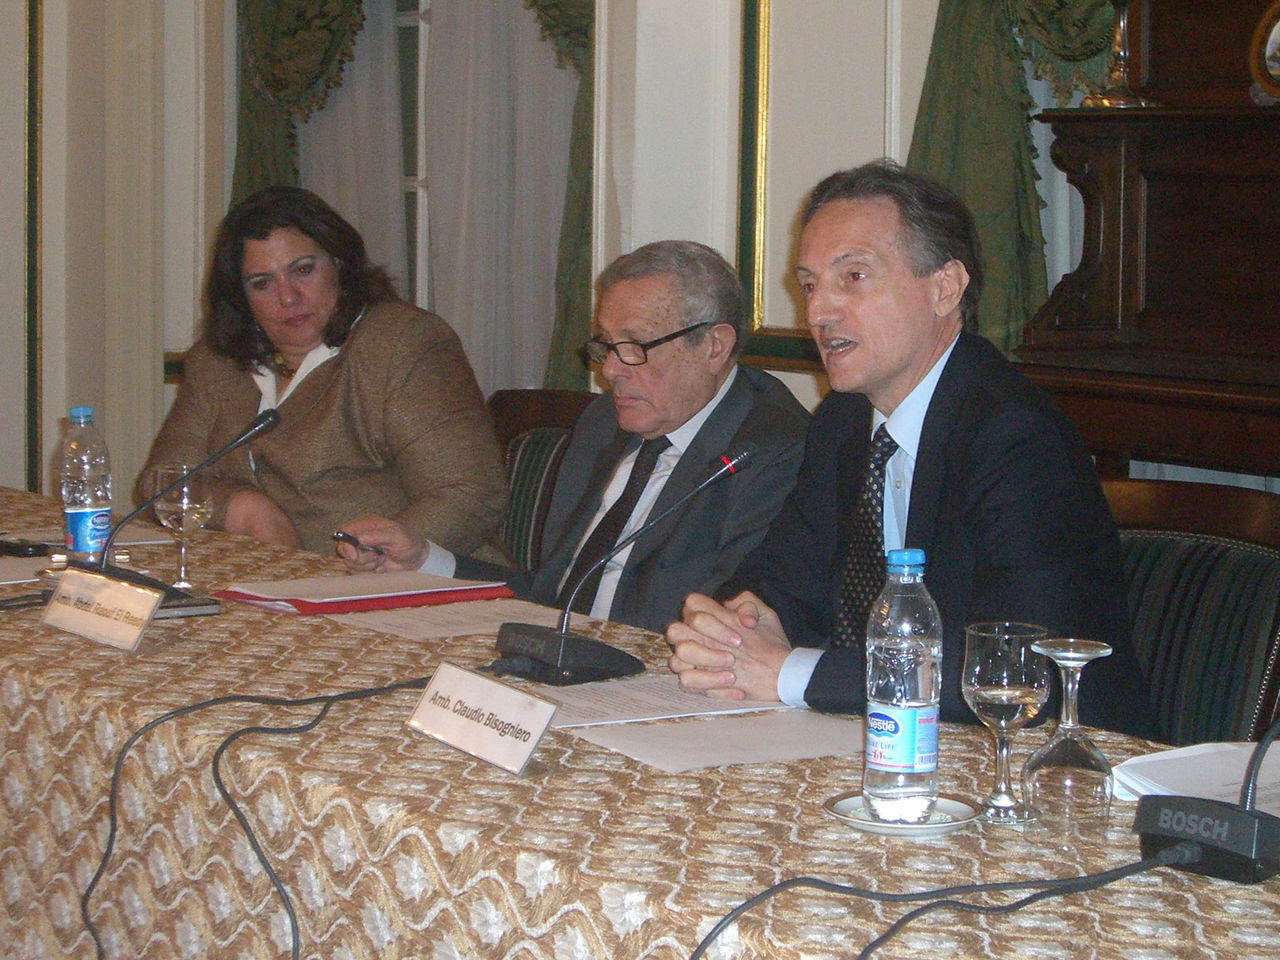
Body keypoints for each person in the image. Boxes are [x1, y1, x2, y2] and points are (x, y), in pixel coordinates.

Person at [666, 160, 1156, 738]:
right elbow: (787, 576)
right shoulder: (844, 422)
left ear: (944, 287)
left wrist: (788, 671)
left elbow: (1017, 668)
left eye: (853, 277)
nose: (819, 312)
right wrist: (737, 626)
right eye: (809, 284)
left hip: (1047, 766)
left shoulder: (1014, 436)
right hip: (889, 740)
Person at [338, 240, 810, 633]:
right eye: (606, 345)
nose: (608, 371)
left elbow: (728, 629)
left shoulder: (773, 450)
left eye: (633, 347)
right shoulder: (605, 423)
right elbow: (550, 594)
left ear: (714, 346)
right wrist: (425, 559)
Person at [136, 185, 508, 559]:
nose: (288, 297)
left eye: (302, 270)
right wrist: (241, 509)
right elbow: (161, 485)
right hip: (272, 593)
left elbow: (471, 493)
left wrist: (376, 551)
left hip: (410, 588)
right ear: (239, 296)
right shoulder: (217, 363)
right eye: (262, 283)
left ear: (340, 264)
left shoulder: (400, 344)